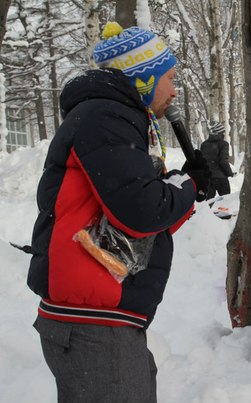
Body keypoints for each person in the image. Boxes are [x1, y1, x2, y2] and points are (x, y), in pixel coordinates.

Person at [26, 22, 209, 403]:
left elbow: (130, 213)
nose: (175, 90)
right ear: (144, 76)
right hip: (91, 320)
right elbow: (141, 212)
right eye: (170, 78)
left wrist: (190, 185)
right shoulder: (107, 117)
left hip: (94, 315)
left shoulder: (110, 117)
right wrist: (188, 186)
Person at [199, 121, 234, 199]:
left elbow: (201, 161)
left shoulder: (204, 144)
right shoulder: (224, 144)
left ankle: (207, 211)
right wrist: (229, 173)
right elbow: (223, 162)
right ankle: (221, 211)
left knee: (209, 201)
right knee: (226, 200)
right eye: (223, 132)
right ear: (220, 133)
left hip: (207, 177)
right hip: (220, 177)